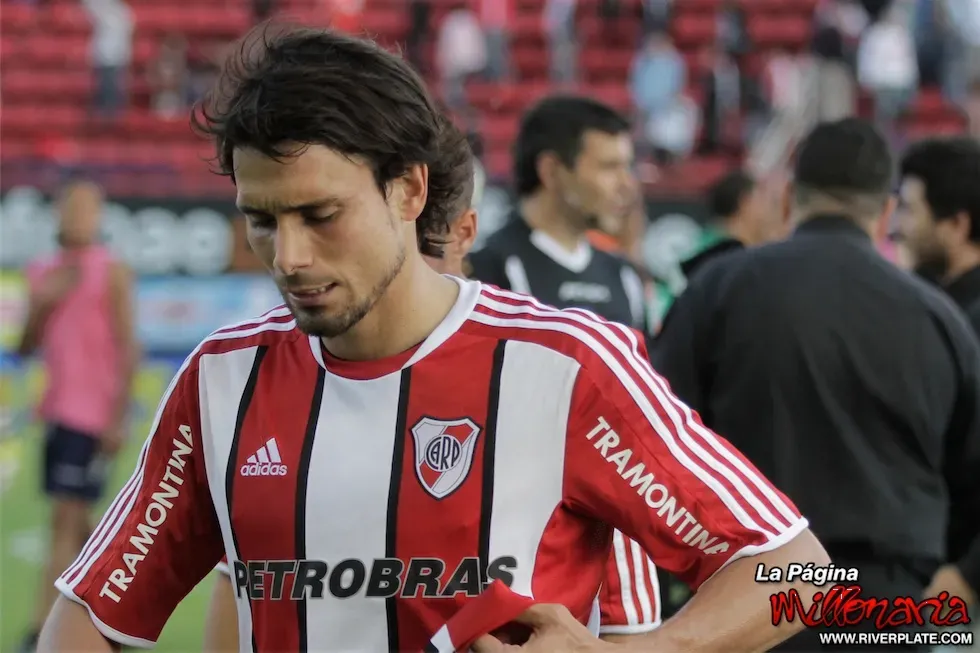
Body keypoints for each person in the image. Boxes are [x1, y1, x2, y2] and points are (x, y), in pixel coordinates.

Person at [40, 27, 826, 653]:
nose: (289, 256)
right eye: (262, 220)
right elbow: (91, 610)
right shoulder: (222, 380)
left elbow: (797, 572)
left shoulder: (565, 365)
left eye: (320, 215)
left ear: (410, 189)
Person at [202, 143, 665, 651]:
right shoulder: (259, 388)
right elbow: (240, 587)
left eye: (423, 248)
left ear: (463, 234)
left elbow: (653, 620)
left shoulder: (559, 386)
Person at [652, 118, 980, 651]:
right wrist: (963, 575)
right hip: (889, 604)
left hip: (751, 600)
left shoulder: (717, 289)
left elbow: (654, 446)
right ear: (885, 213)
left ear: (787, 199)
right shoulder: (941, 319)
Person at [17, 180, 138, 653]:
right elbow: (25, 347)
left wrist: (117, 417)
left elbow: (128, 347)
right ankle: (121, 613)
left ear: (99, 216)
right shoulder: (42, 270)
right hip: (55, 412)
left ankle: (40, 629)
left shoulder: (111, 271)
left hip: (92, 415)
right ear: (59, 213)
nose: (79, 217)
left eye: (88, 209)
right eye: (72, 208)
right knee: (82, 522)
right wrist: (43, 302)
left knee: (64, 522)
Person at [468, 95, 651, 336]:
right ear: (551, 171)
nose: (627, 184)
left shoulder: (625, 277)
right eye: (609, 167)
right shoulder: (487, 272)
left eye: (627, 167)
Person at [897, 136, 980, 608]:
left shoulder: (968, 323)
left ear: (957, 224)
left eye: (911, 210)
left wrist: (970, 575)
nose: (899, 227)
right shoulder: (934, 308)